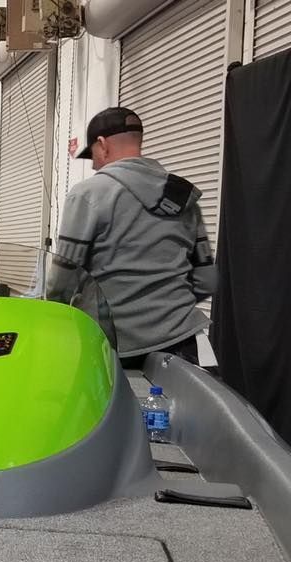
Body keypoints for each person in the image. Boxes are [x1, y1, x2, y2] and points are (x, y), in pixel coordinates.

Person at [49, 107, 217, 367]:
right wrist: (165, 307)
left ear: (102, 145)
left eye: (92, 154)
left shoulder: (87, 194)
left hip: (113, 347)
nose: (93, 164)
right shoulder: (182, 196)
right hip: (183, 344)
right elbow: (207, 280)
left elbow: (62, 282)